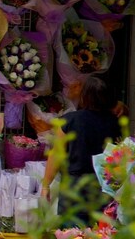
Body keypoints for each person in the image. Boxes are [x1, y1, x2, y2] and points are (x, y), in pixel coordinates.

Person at [42, 76, 122, 224]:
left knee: (72, 238)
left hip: (74, 188)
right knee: (101, 238)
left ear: (85, 96)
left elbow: (56, 155)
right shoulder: (115, 123)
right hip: (103, 188)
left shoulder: (69, 120)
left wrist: (46, 185)